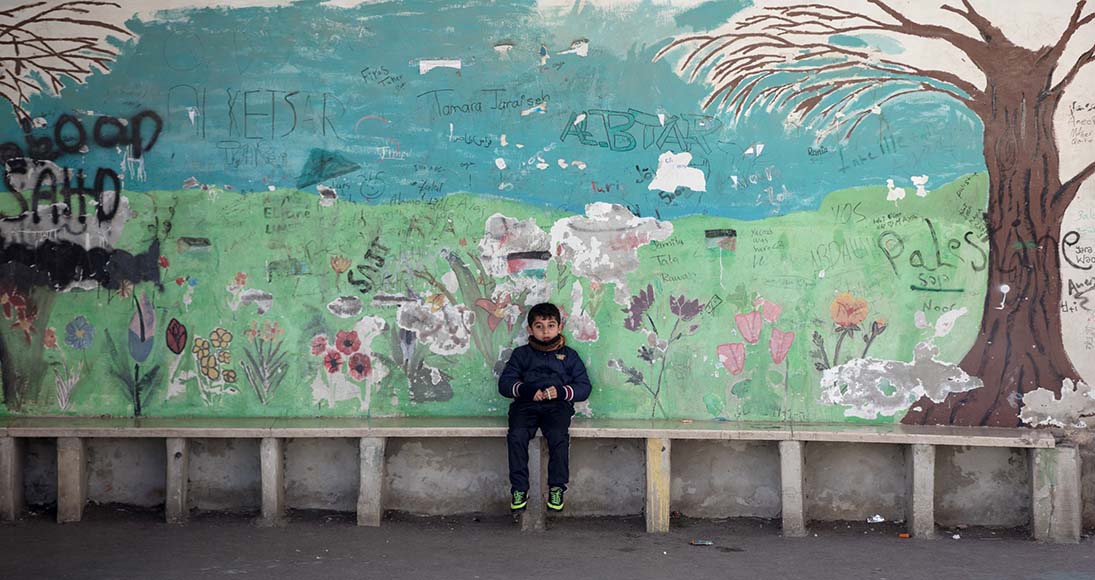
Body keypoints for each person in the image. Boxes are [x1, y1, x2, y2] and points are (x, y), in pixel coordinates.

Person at [498, 302, 591, 513]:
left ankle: (557, 487)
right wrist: (526, 391)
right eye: (539, 326)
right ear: (530, 329)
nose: (545, 331)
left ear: (559, 327)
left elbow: (584, 387)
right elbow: (505, 384)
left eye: (550, 325)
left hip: (558, 407)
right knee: (517, 436)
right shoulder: (521, 355)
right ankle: (519, 488)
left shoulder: (569, 356)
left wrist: (561, 392)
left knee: (558, 436)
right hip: (525, 406)